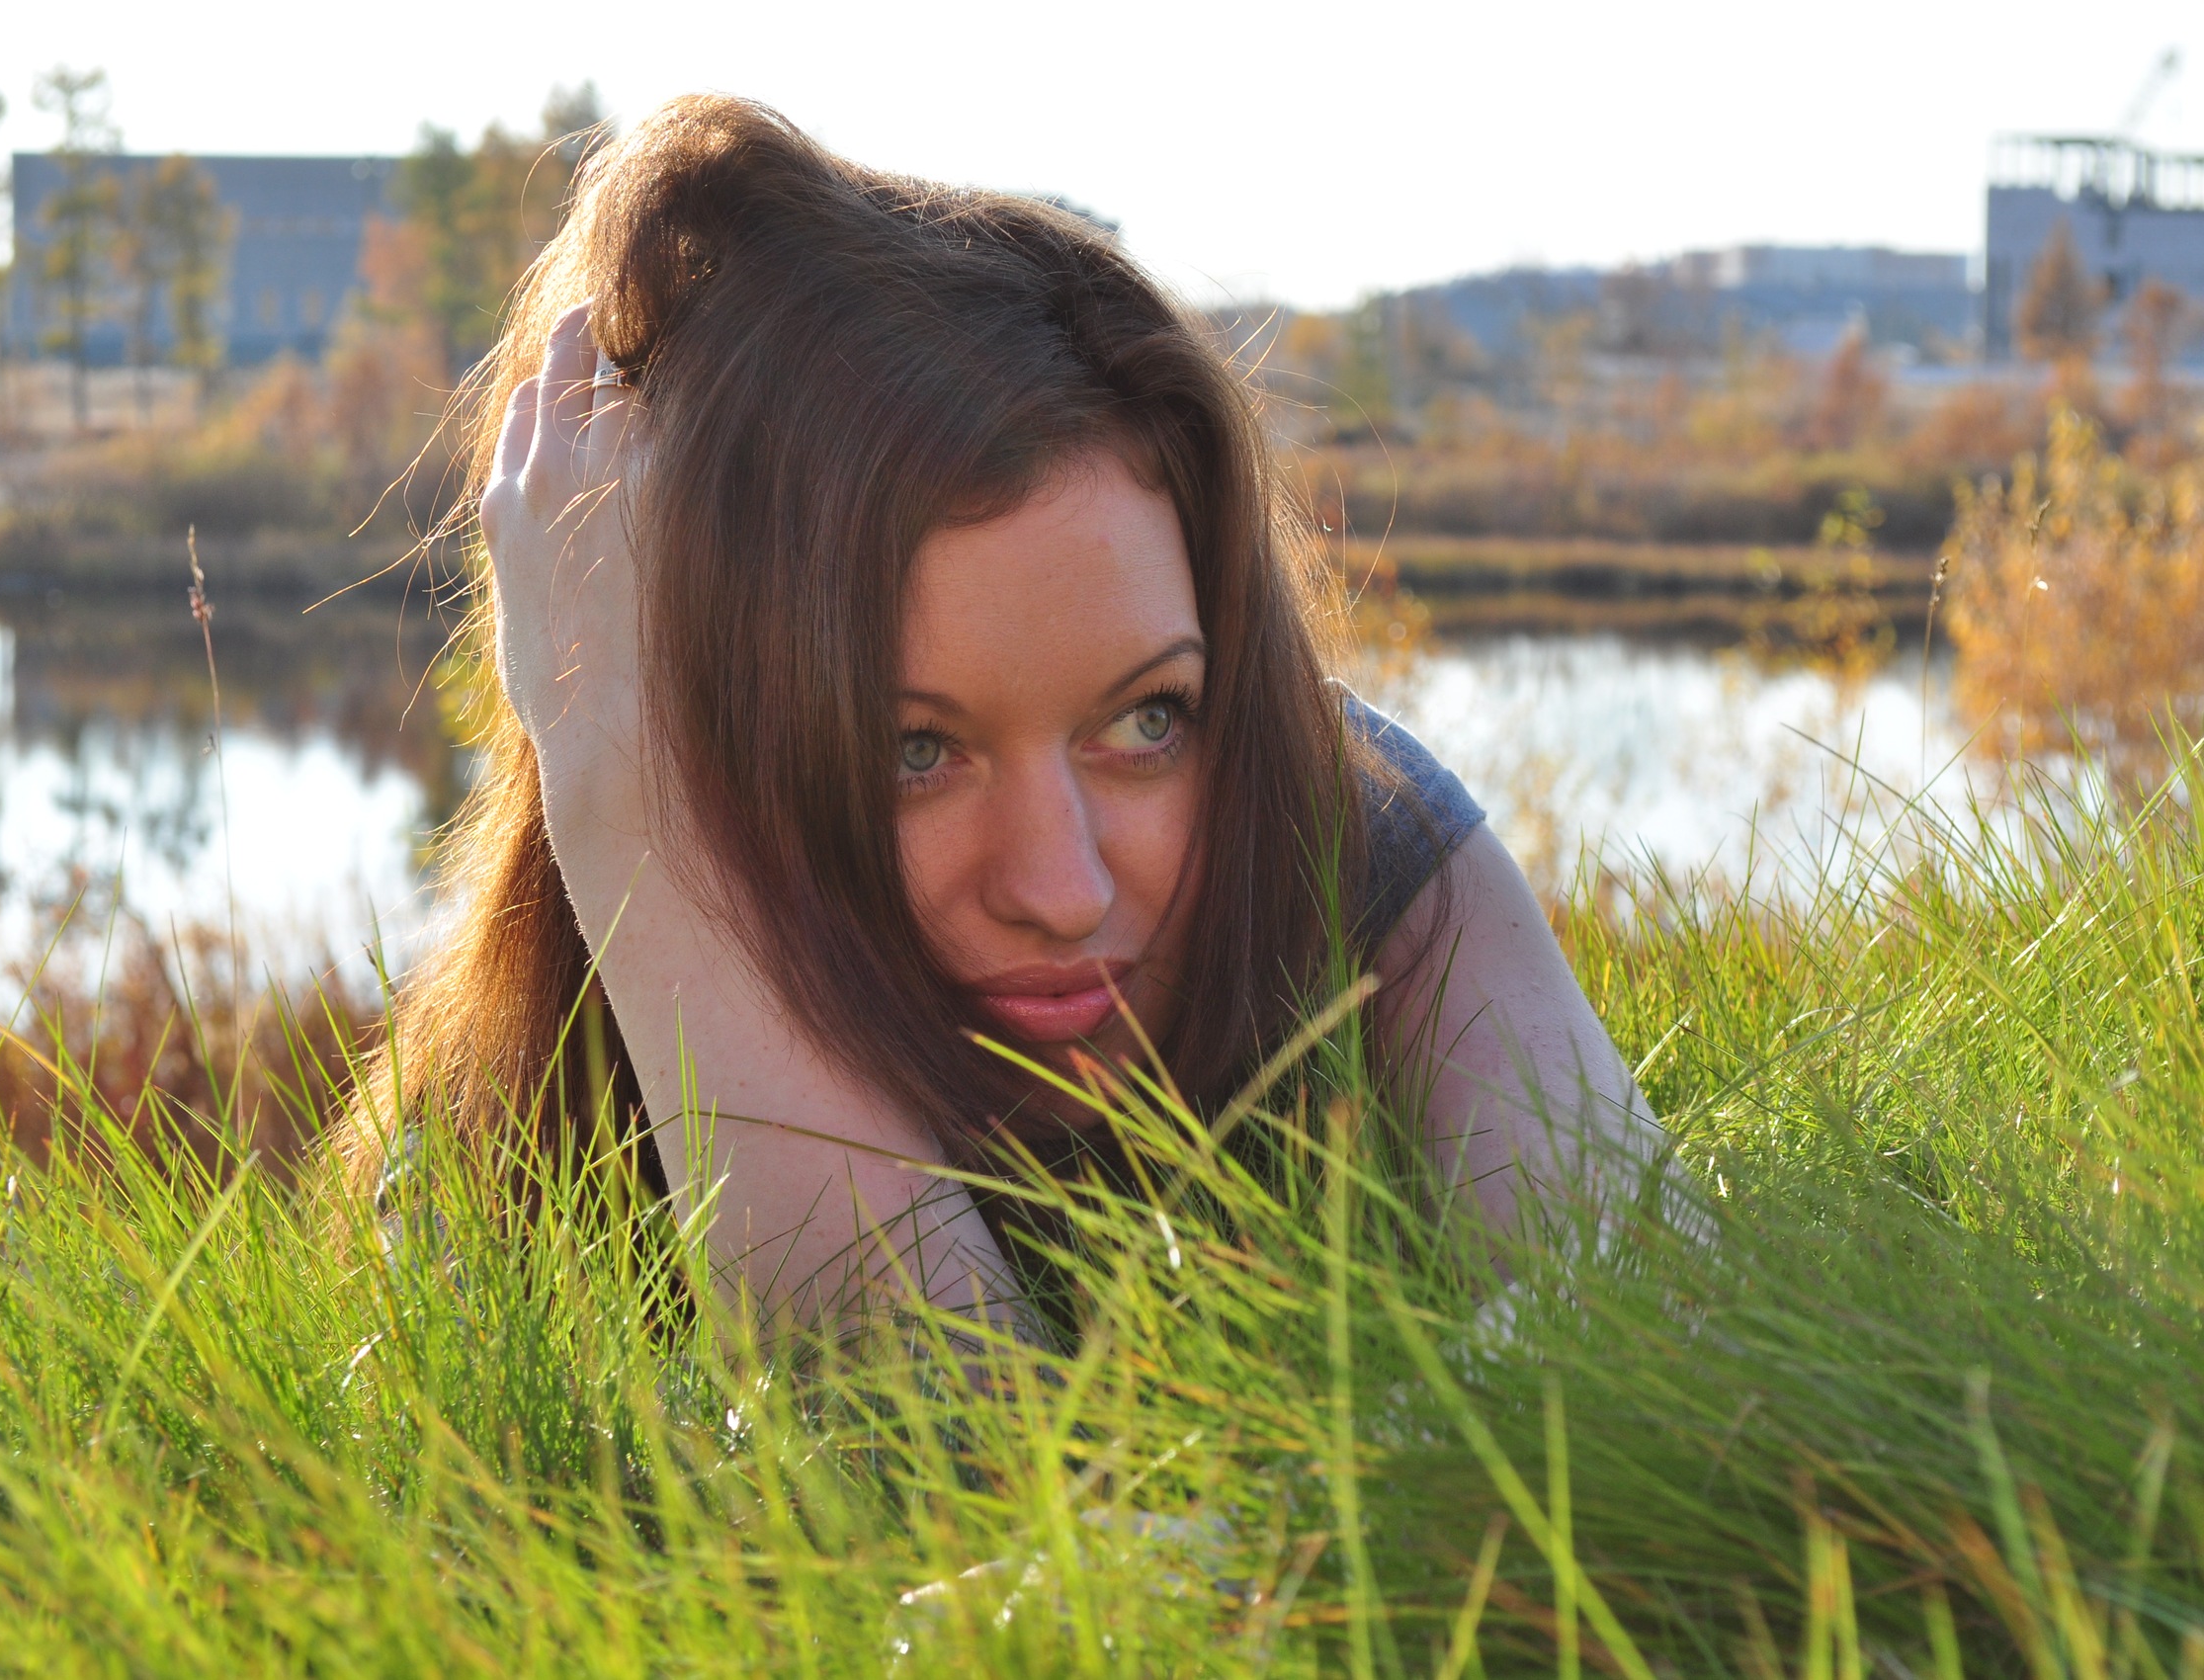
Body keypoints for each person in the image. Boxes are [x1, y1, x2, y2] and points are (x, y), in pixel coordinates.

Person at [340, 95, 1663, 1327]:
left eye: (1148, 722)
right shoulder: (490, 1177)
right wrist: (627, 813)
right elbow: (952, 1459)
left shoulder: (1337, 823)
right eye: (914, 751)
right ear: (686, 739)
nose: (1062, 889)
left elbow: (1659, 1332)